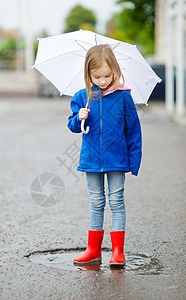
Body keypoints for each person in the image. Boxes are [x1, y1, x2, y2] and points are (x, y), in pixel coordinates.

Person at [67, 44, 142, 267]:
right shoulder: (83, 97)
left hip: (117, 159)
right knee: (96, 201)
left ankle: (118, 251)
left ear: (115, 71)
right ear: (88, 74)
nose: (102, 80)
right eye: (96, 76)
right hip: (91, 160)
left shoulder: (123, 97)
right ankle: (93, 249)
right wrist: (79, 118)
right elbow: (72, 125)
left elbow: (134, 130)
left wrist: (133, 161)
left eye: (107, 75)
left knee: (117, 201)